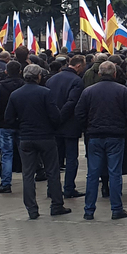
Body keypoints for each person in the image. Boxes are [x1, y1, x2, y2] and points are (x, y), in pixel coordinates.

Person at [6, 64, 71, 219]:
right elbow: (55, 116)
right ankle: (56, 204)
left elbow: (8, 119)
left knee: (28, 174)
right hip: (46, 137)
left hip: (26, 138)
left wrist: (21, 126)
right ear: (39, 76)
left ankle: (32, 209)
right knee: (52, 172)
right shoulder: (45, 93)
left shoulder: (15, 95)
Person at [75, 60, 127, 220]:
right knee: (115, 173)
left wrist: (88, 127)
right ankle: (116, 209)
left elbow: (79, 113)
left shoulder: (89, 91)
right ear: (115, 74)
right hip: (116, 135)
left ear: (99, 73)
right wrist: (124, 127)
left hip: (95, 135)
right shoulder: (123, 91)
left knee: (92, 174)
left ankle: (89, 210)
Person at [45, 54, 86, 199]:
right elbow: (72, 102)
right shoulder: (77, 81)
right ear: (78, 66)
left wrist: (54, 118)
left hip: (53, 126)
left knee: (54, 160)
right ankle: (69, 188)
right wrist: (60, 117)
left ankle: (52, 188)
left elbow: (47, 101)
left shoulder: (51, 79)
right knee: (71, 159)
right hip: (70, 126)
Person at [0, 61, 24, 194]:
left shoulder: (0, 87)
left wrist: (0, 120)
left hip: (5, 125)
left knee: (6, 154)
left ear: (6, 72)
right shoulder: (23, 86)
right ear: (20, 71)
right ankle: (29, 181)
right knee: (25, 154)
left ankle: (6, 183)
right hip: (21, 124)